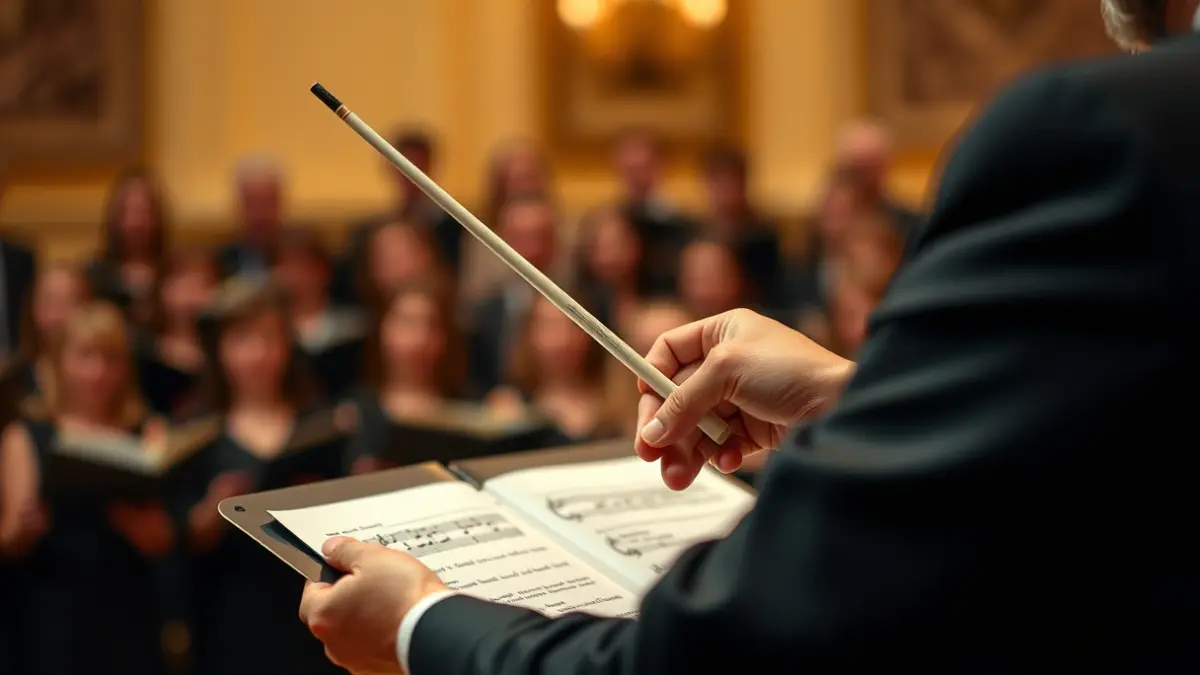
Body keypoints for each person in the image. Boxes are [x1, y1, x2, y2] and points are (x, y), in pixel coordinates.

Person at [298, 1, 1200, 672]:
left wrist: (423, 622)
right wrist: (854, 396)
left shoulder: (1097, 135)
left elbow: (742, 649)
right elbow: (1111, 443)